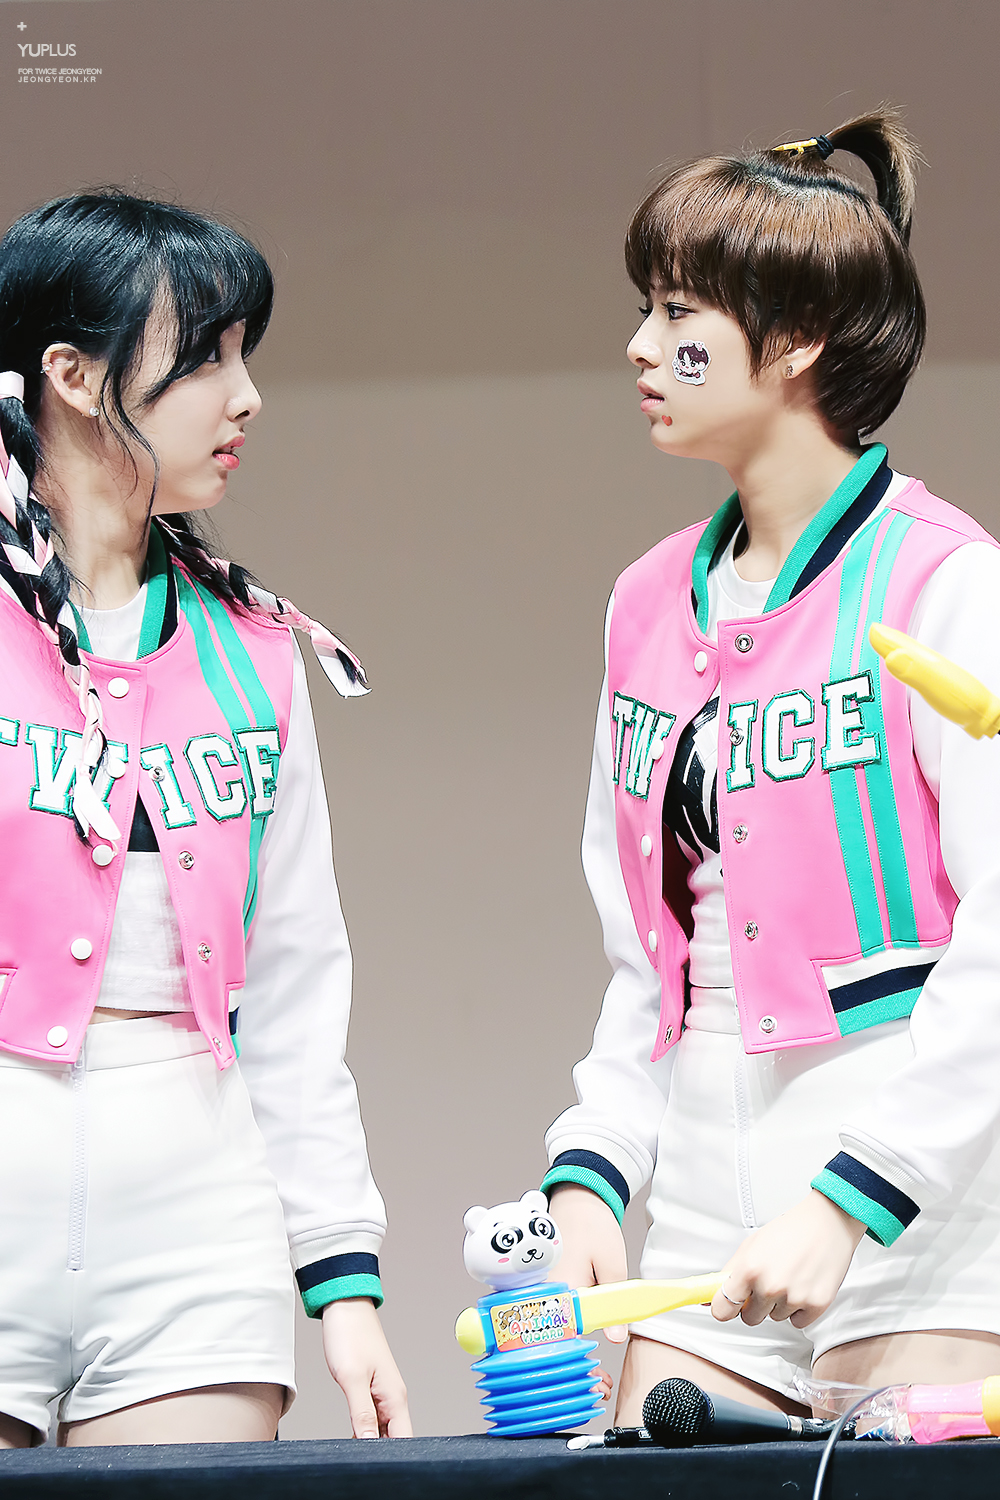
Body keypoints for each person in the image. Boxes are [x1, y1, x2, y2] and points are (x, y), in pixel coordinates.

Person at [540, 110, 1000, 1421]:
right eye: (645, 308)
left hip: (919, 1204)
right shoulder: (645, 602)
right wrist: (592, 1171)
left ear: (796, 340)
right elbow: (649, 958)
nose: (641, 347)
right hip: (702, 1214)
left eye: (677, 313)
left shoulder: (947, 583)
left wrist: (851, 1199)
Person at [0, 191, 411, 1447]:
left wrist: (342, 1281)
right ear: (73, 376)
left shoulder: (258, 650)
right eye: (206, 358)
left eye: (246, 357)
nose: (247, 397)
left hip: (196, 1222)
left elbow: (294, 988)